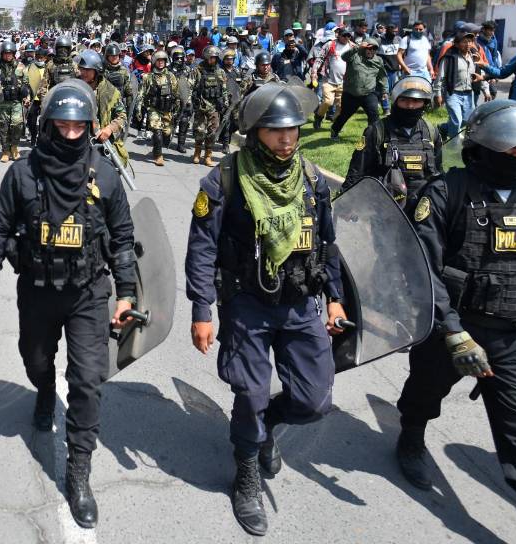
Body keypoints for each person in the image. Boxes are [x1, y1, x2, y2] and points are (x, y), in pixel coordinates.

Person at [394, 100, 516, 544]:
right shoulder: (446, 193)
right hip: (453, 327)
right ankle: (411, 436)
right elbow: (423, 270)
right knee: (425, 391)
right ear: (485, 145)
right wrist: (453, 333)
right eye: (512, 150)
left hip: (515, 335)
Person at [0, 80, 139, 529]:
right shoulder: (23, 175)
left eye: (79, 125)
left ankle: (79, 472)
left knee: (88, 379)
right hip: (38, 290)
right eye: (62, 124)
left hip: (89, 293)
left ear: (90, 126)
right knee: (35, 361)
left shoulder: (104, 175)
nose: (71, 133)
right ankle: (44, 389)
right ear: (47, 124)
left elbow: (124, 239)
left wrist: (125, 292)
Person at [185, 83, 346, 536]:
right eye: (276, 130)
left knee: (315, 400)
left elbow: (328, 245)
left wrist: (334, 298)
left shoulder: (313, 180)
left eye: (292, 129)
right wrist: (202, 310)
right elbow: (201, 249)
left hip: (300, 305)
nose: (287, 138)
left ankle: (267, 425)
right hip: (247, 304)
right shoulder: (226, 179)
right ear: (256, 131)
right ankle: (247, 474)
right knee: (250, 393)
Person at [343, 75, 442, 210]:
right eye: (404, 100)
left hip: (423, 211)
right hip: (386, 210)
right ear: (395, 101)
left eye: (416, 100)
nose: (410, 106)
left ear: (424, 103)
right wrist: (347, 202)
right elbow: (356, 171)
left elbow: (439, 172)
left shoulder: (431, 132)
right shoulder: (377, 131)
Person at [76, 50, 128, 166]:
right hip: (75, 139)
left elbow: (122, 116)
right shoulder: (73, 86)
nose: (83, 72)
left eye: (87, 70)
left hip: (100, 142)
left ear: (97, 71)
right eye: (82, 69)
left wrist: (109, 129)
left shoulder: (111, 92)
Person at [330, 36, 386, 139]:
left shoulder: (378, 60)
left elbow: (382, 76)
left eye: (374, 49)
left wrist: (384, 91)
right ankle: (334, 130)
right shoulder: (355, 55)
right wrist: (357, 47)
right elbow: (344, 57)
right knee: (344, 115)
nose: (371, 50)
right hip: (351, 93)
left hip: (369, 93)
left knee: (374, 115)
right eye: (369, 48)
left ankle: (372, 137)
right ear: (364, 48)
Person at [0, 41, 31, 163]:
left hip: (16, 101)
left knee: (17, 125)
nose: (8, 56)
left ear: (14, 54)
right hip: (2, 101)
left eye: (10, 53)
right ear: (2, 54)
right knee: (4, 127)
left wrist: (27, 96)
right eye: (5, 53)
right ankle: (5, 151)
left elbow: (27, 82)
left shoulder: (21, 67)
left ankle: (14, 147)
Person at [434, 25, 481, 139]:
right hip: (453, 93)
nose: (468, 44)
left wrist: (485, 89)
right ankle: (453, 146)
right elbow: (440, 77)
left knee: (467, 121)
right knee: (457, 121)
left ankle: (443, 128)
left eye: (470, 42)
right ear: (456, 44)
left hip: (469, 94)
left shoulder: (473, 57)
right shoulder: (449, 58)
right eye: (465, 42)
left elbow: (478, 75)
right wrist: (438, 94)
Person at [187, 46, 230, 167]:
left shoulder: (220, 72)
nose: (213, 60)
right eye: (211, 57)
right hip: (201, 105)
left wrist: (225, 103)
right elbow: (189, 86)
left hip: (214, 106)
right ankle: (197, 153)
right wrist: (189, 102)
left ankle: (208, 156)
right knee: (200, 131)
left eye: (215, 58)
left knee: (213, 132)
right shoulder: (197, 70)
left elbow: (224, 89)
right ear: (206, 57)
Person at [140, 50, 179, 167]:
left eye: (163, 60)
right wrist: (139, 109)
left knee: (167, 133)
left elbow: (176, 93)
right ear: (154, 62)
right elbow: (142, 94)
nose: (161, 63)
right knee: (157, 132)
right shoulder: (148, 77)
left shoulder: (170, 76)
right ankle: (158, 155)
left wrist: (176, 107)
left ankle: (157, 148)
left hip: (167, 109)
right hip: (154, 108)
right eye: (158, 60)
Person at [25, 44, 52, 147]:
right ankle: (33, 135)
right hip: (33, 99)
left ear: (45, 58)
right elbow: (26, 82)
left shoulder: (49, 68)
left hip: (45, 99)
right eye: (38, 57)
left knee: (43, 121)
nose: (39, 59)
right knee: (31, 121)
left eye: (42, 57)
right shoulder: (30, 67)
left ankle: (41, 138)